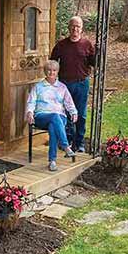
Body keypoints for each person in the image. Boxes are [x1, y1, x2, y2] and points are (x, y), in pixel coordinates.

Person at [50, 15, 96, 152]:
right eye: (73, 26)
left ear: (81, 29)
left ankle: (80, 142)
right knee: (67, 113)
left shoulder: (87, 44)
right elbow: (52, 63)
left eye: (78, 26)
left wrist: (98, 53)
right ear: (69, 27)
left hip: (82, 84)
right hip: (65, 84)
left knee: (81, 114)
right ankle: (68, 141)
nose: (75, 28)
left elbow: (93, 63)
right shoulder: (61, 45)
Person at [26, 60, 78, 171]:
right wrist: (30, 112)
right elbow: (31, 102)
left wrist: (74, 112)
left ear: (57, 72)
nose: (51, 72)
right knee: (54, 117)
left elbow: (69, 103)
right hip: (41, 116)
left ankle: (52, 161)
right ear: (45, 71)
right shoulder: (38, 87)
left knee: (53, 126)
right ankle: (66, 146)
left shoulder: (62, 87)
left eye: (54, 70)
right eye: (49, 70)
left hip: (60, 117)